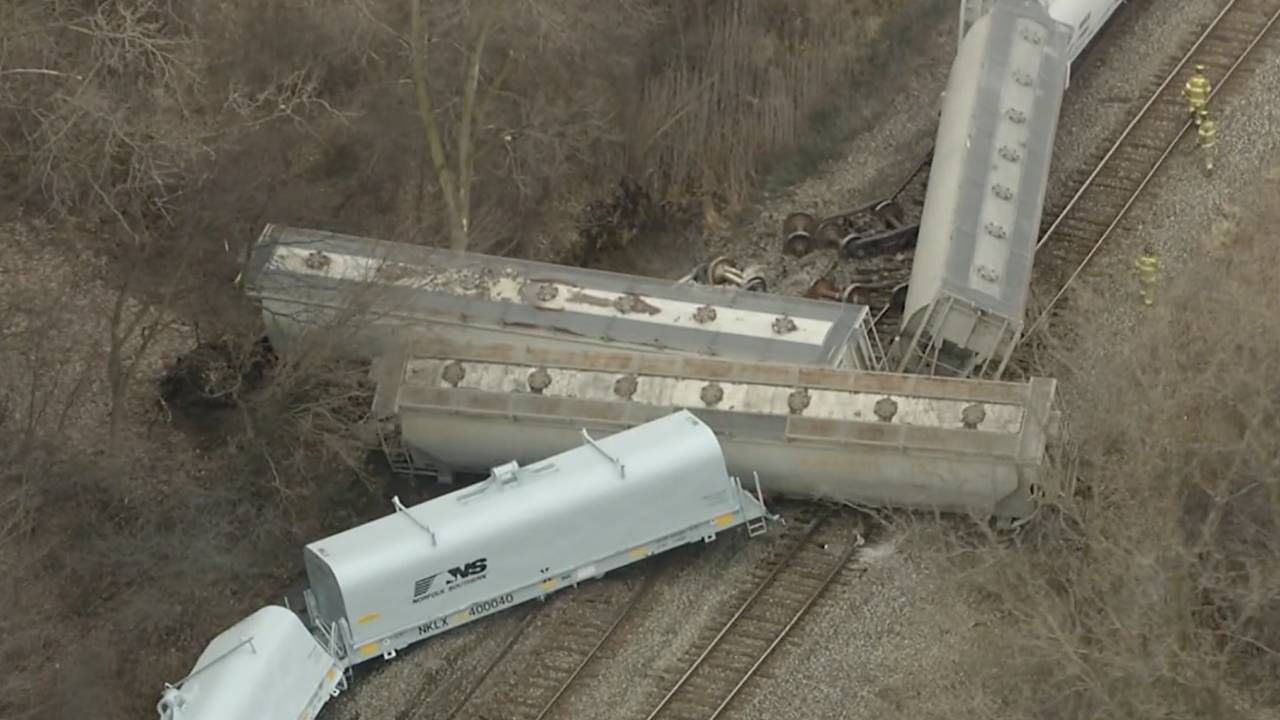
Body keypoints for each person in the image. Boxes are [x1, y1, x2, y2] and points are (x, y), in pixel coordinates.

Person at [1197, 108, 1219, 174]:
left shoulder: (1202, 127)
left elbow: (1201, 137)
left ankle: (1209, 169)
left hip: (1207, 144)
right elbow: (1216, 131)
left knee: (1208, 156)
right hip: (1213, 141)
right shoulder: (1211, 123)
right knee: (1212, 153)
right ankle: (1212, 163)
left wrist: (1199, 142)